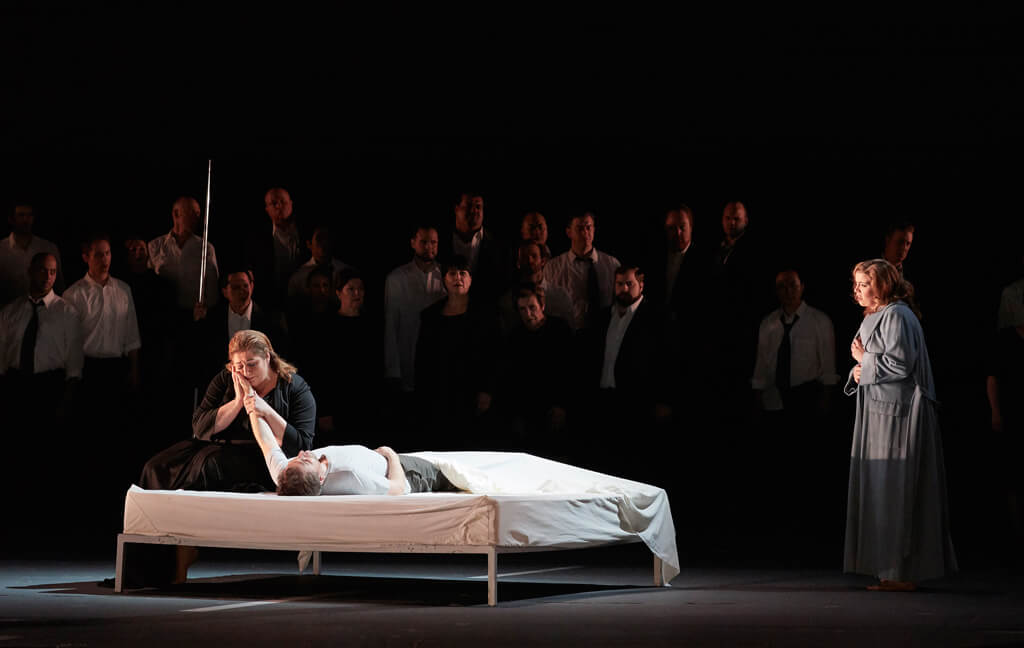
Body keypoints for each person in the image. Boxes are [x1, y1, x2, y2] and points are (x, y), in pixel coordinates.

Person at [844, 258, 956, 591]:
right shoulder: (874, 317)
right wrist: (857, 371)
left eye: (865, 284)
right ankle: (888, 569)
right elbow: (867, 364)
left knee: (896, 489)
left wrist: (865, 362)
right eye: (856, 285)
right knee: (881, 490)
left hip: (900, 417)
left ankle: (901, 570)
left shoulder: (897, 316)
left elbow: (901, 364)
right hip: (880, 412)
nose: (858, 290)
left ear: (883, 285)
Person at [137, 329, 316, 492]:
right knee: (155, 467)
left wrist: (265, 410)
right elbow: (199, 427)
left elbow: (302, 445)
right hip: (218, 446)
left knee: (212, 466)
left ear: (267, 357)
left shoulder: (295, 388)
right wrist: (238, 402)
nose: (245, 371)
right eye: (239, 366)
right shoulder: (226, 379)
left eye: (252, 364)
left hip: (260, 457)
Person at [415, 255, 499, 449]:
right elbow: (422, 360)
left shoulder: (485, 313)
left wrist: (487, 390)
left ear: (470, 278)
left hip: (473, 394)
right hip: (440, 394)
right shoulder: (430, 315)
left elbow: (494, 354)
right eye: (452, 273)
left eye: (463, 273)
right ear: (444, 278)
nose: (457, 278)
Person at [383, 225, 446, 393]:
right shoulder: (396, 278)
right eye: (423, 242)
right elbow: (391, 325)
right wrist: (392, 370)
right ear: (413, 243)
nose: (429, 247)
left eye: (433, 242)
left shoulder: (446, 277)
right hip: (407, 360)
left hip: (438, 362)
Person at [544, 212, 621, 330]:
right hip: (568, 333)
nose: (585, 232)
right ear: (569, 232)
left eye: (588, 227)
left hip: (605, 332)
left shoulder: (612, 265)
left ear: (594, 229)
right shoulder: (553, 268)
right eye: (579, 228)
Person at [147, 196, 219, 316]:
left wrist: (205, 309)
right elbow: (148, 284)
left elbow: (212, 291)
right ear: (176, 214)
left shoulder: (206, 248)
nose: (197, 218)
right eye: (192, 213)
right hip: (163, 316)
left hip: (195, 317)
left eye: (198, 214)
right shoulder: (154, 246)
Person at [497, 240, 572, 338]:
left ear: (543, 261)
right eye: (524, 257)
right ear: (518, 263)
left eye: (534, 256)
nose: (530, 260)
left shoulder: (560, 295)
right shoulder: (507, 301)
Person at [0, 201, 65, 306]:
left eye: (29, 215)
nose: (26, 220)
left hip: (45, 312)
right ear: (11, 219)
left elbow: (59, 285)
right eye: (21, 215)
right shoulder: (2, 250)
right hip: (9, 313)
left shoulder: (48, 247)